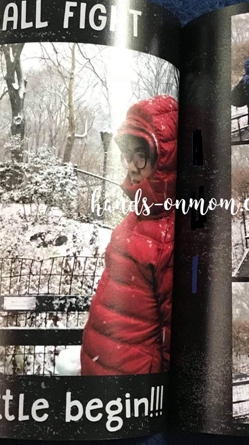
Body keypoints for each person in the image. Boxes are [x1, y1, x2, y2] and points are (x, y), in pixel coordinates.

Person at [80, 95, 177, 375]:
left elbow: (172, 336)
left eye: (142, 156)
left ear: (165, 162)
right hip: (101, 381)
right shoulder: (136, 217)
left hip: (131, 394)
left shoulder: (169, 236)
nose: (132, 166)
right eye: (129, 155)